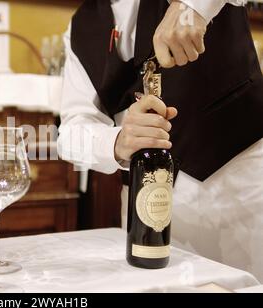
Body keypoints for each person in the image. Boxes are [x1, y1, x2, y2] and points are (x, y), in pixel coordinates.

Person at [58, 0, 263, 281]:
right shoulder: (80, 27)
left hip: (238, 195)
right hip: (144, 213)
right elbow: (71, 132)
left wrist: (193, 5)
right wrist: (116, 142)